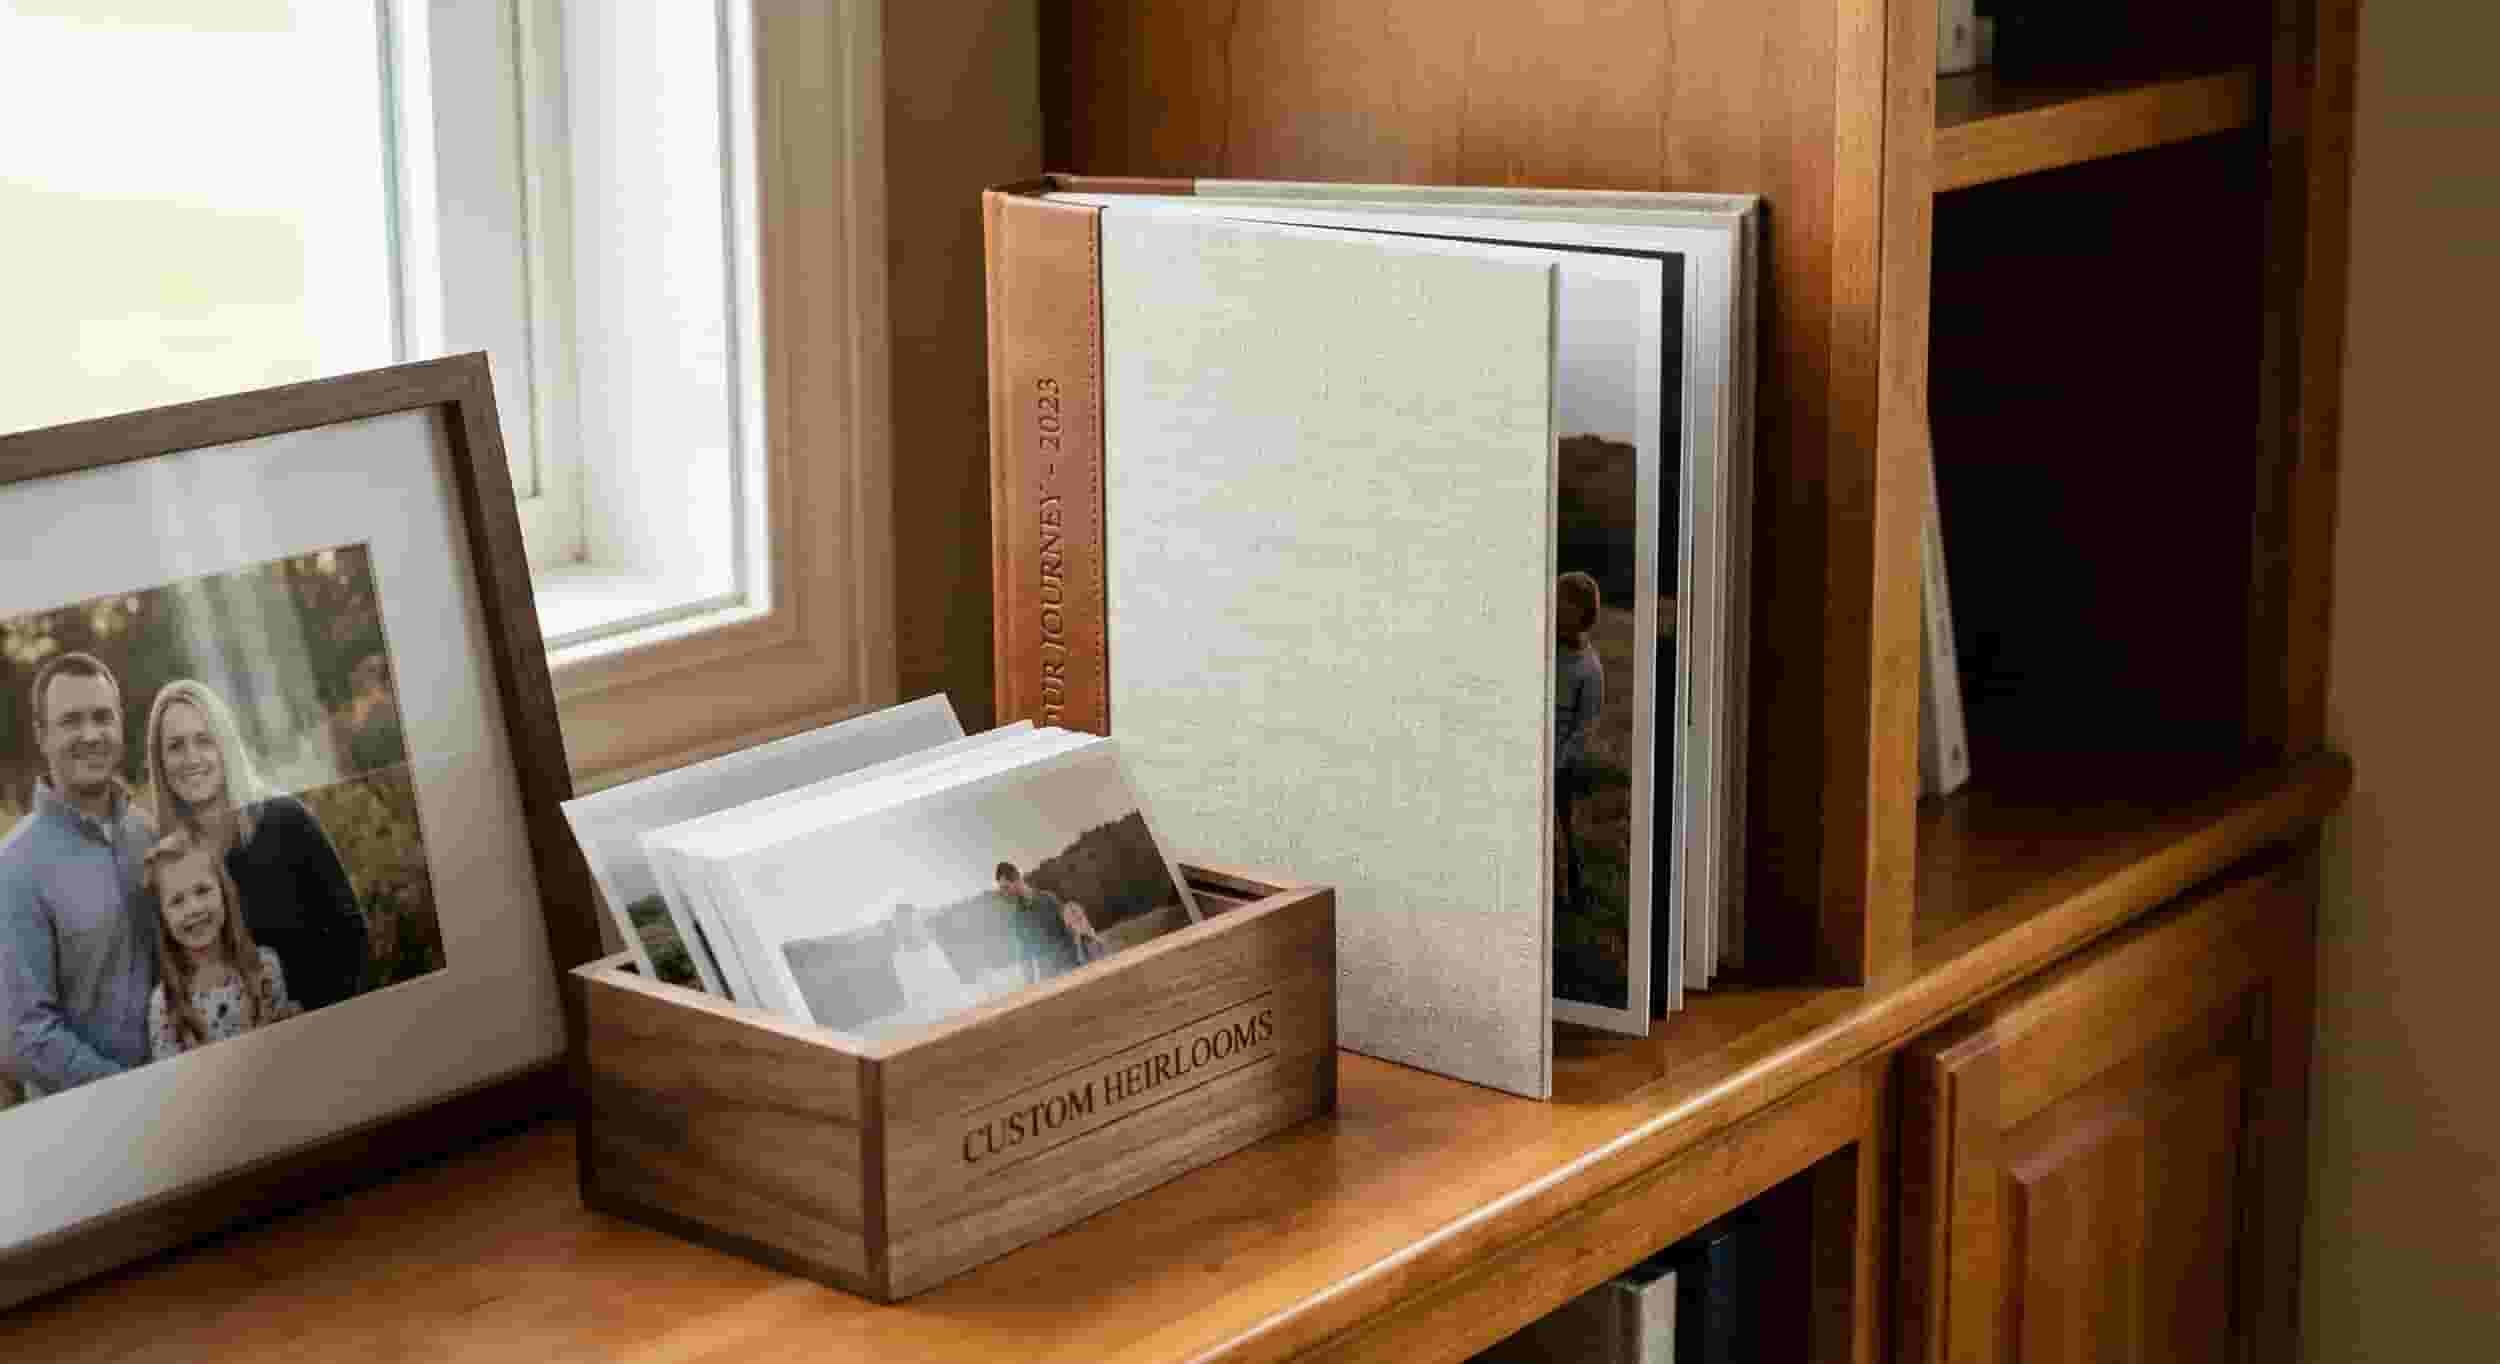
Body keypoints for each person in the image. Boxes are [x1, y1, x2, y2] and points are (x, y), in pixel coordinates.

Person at [146, 679, 368, 1011]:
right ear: (160, 762)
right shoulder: (167, 862)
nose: (192, 757)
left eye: (204, 740)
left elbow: (352, 940)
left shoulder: (286, 820)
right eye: (176, 746)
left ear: (226, 746)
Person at [0, 652, 159, 1093]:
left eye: (102, 717)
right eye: (71, 721)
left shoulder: (146, 835)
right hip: (94, 1117)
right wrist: (131, 1092)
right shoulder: (13, 868)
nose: (91, 734)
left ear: (120, 725)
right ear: (41, 735)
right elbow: (26, 1037)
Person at [141, 831, 300, 1058]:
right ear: (163, 919)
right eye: (177, 901)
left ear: (223, 893)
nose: (194, 908)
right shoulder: (164, 1006)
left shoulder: (265, 967)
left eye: (202, 890)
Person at [1554, 572, 1606, 910]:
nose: (1556, 614)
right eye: (1556, 606)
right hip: (1532, 753)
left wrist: (1558, 762)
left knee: (1561, 826)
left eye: (1566, 610)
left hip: (1560, 763)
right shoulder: (1545, 648)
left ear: (1584, 618)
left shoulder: (1588, 669)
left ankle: (1569, 891)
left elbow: (1584, 728)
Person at [994, 861, 1082, 983]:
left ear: (1017, 879)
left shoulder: (1048, 899)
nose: (1005, 893)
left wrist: (1078, 967)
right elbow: (1025, 956)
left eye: (1006, 887)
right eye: (1002, 890)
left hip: (1070, 970)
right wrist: (1030, 986)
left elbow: (1072, 932)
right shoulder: (1017, 918)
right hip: (1048, 979)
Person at [1059, 897, 1110, 965]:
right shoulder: (1077, 949)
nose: (1080, 924)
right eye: (1075, 922)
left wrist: (1095, 937)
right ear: (1070, 927)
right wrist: (1079, 944)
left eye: (1080, 918)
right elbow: (1083, 963)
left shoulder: (1102, 937)